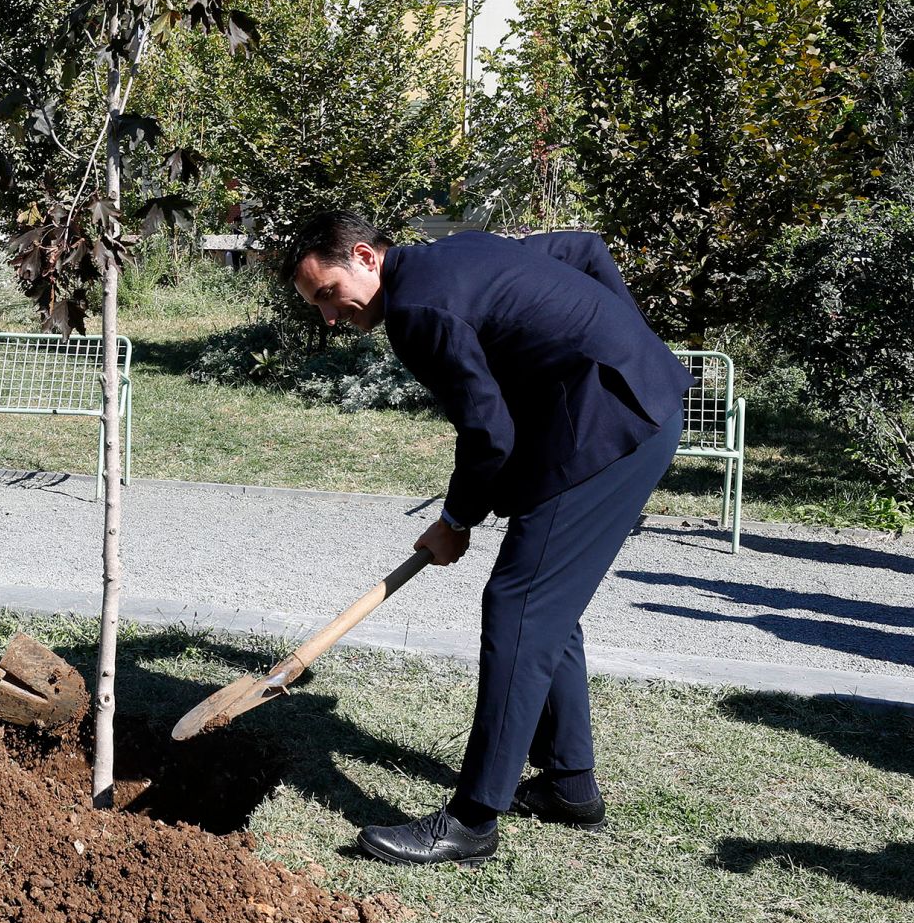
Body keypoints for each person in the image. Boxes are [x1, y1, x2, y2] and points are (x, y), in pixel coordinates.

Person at [289, 211, 692, 866]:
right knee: (544, 603)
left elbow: (489, 434)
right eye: (317, 307)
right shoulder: (458, 251)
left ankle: (473, 821)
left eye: (329, 294)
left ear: (364, 256)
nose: (331, 317)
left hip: (607, 427)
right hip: (616, 403)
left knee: (519, 604)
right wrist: (628, 346)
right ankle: (569, 784)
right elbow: (584, 249)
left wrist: (455, 520)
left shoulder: (417, 312)